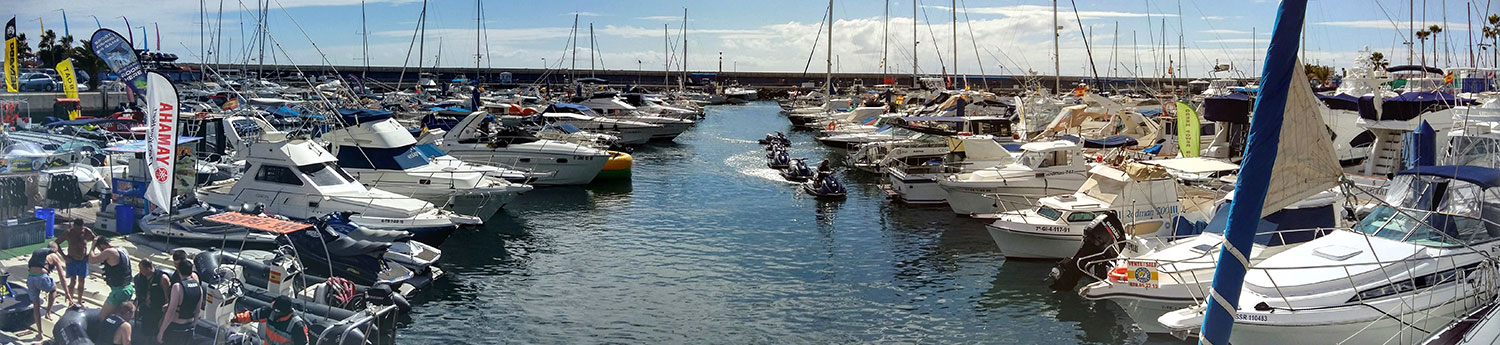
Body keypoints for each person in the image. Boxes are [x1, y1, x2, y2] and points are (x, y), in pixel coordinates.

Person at [158, 260, 204, 344]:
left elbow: (171, 311)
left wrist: (161, 331)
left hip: (176, 328)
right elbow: (198, 311)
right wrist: (193, 327)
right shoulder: (199, 288)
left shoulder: (178, 287)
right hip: (189, 327)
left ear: (179, 271)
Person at [234, 296, 310, 345]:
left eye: (278, 312)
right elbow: (252, 315)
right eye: (275, 310)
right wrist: (237, 318)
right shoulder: (270, 311)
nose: (275, 314)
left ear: (286, 311)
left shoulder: (297, 325)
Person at [53, 219, 95, 307]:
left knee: (82, 281)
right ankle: (71, 301)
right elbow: (56, 243)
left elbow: (96, 241)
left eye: (80, 229)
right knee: (72, 282)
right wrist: (64, 256)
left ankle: (79, 301)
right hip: (71, 260)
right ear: (73, 226)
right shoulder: (68, 233)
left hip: (83, 260)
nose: (78, 231)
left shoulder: (87, 232)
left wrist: (90, 253)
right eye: (77, 229)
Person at [89, 237, 132, 320]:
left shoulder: (109, 252)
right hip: (128, 288)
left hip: (119, 291)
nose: (101, 252)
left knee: (103, 316)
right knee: (118, 316)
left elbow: (92, 259)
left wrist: (93, 246)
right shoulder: (121, 249)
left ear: (102, 245)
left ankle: (103, 332)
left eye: (100, 249)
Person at [26, 242, 65, 334]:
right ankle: (48, 312)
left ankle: (40, 332)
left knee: (36, 306)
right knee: (54, 289)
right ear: (56, 250)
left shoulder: (39, 254)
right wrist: (68, 294)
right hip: (41, 277)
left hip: (30, 277)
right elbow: (62, 277)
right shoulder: (53, 255)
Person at [133, 260, 172, 339]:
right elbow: (138, 294)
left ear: (149, 268)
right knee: (145, 330)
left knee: (156, 331)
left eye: (143, 270)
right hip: (146, 308)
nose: (141, 272)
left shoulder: (162, 278)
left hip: (158, 308)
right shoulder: (139, 278)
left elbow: (167, 296)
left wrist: (167, 306)